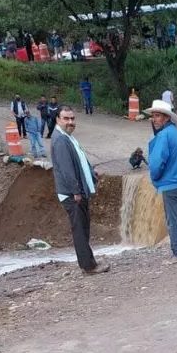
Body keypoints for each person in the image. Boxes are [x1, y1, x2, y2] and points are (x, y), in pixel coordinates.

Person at [51, 106, 109, 275]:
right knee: (80, 230)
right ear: (57, 120)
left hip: (75, 191)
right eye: (66, 118)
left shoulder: (67, 137)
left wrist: (91, 173)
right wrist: (75, 191)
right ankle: (88, 267)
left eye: (72, 118)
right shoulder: (61, 140)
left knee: (82, 228)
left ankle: (89, 262)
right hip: (72, 194)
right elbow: (67, 170)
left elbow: (78, 161)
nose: (70, 122)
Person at [145, 99, 177, 264]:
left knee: (173, 220)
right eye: (153, 116)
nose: (154, 119)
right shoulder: (176, 131)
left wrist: (155, 178)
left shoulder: (163, 135)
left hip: (170, 184)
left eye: (157, 116)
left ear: (166, 117)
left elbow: (156, 163)